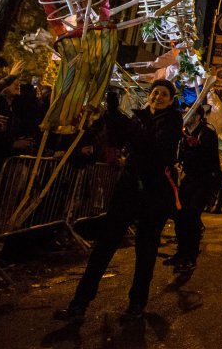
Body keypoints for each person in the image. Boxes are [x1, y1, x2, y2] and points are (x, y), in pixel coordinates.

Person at [54, 79, 182, 325]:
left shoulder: (172, 122)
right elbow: (119, 140)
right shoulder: (138, 117)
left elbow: (152, 146)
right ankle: (79, 302)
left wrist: (125, 122)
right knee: (105, 245)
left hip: (154, 193)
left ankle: (137, 302)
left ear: (170, 99)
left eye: (164, 94)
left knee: (145, 249)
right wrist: (111, 116)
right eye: (155, 92)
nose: (158, 97)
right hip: (128, 188)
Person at [164, 103, 222, 273]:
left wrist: (196, 147)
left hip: (203, 181)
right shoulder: (184, 134)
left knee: (192, 216)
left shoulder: (207, 133)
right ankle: (180, 253)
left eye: (188, 113)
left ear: (197, 116)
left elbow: (209, 160)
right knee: (180, 215)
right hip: (188, 180)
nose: (185, 115)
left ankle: (190, 257)